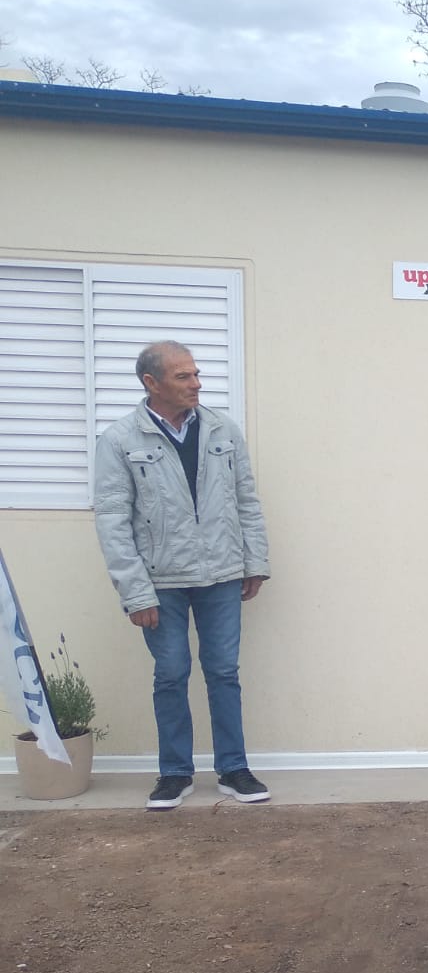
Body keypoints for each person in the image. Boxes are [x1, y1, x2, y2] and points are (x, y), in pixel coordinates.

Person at [92, 341, 272, 811]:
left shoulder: (222, 430)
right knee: (171, 674)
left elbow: (246, 500)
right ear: (151, 383)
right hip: (160, 582)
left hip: (222, 573)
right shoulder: (119, 440)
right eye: (183, 376)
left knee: (223, 672)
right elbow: (112, 521)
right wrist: (135, 593)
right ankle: (174, 773)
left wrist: (254, 562)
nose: (196, 384)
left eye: (196, 374)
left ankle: (234, 769)